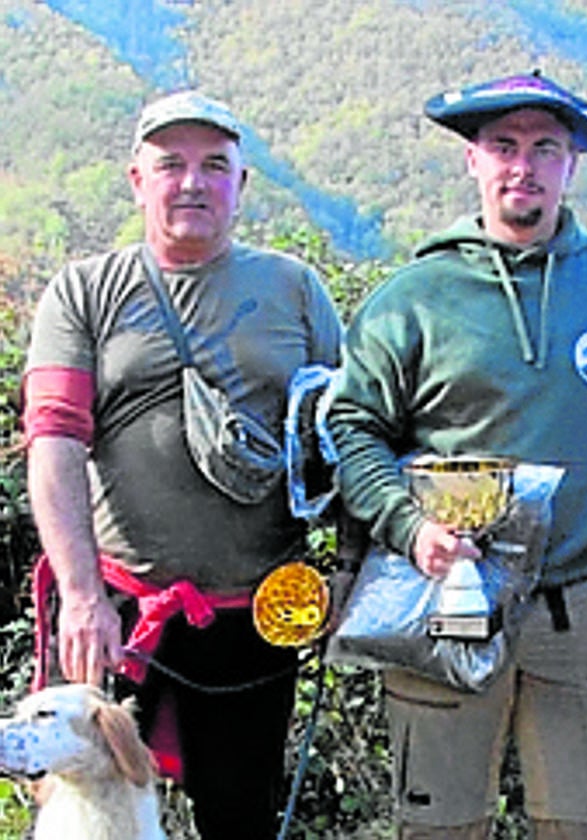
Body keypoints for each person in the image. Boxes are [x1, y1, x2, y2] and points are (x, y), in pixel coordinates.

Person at [325, 71, 587, 839]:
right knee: (440, 830)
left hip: (581, 604)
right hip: (441, 600)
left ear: (572, 163)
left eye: (546, 147)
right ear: (472, 160)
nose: (524, 165)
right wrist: (410, 527)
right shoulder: (413, 296)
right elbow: (352, 426)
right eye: (503, 146)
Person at [22, 89, 342, 839]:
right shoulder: (83, 293)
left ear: (242, 183)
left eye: (214, 166)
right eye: (171, 164)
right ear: (137, 179)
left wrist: (348, 569)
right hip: (116, 611)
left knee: (240, 813)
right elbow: (55, 439)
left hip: (258, 611)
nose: (192, 182)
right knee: (88, 815)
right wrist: (79, 594)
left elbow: (343, 435)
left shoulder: (296, 290)